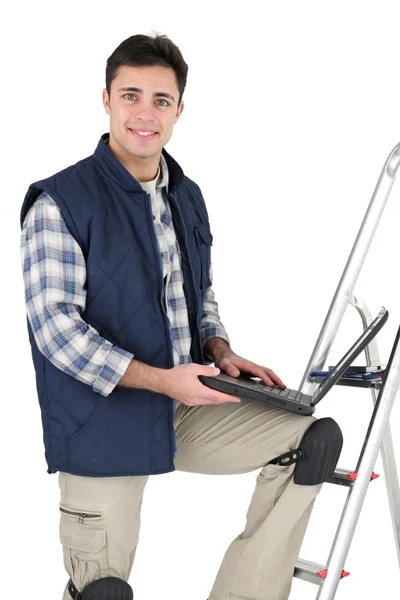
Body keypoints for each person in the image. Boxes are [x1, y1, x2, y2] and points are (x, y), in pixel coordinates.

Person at [20, 33, 322, 600]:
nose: (145, 113)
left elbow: (200, 293)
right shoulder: (60, 202)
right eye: (130, 95)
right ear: (105, 100)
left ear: (179, 110)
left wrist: (219, 349)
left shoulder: (187, 195)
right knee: (102, 591)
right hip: (99, 421)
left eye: (161, 100)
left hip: (182, 404)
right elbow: (55, 331)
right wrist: (162, 379)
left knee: (312, 441)